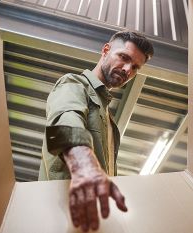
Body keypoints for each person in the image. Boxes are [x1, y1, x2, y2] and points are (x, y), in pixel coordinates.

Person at [39, 30, 154, 232]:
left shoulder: (110, 121)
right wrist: (85, 167)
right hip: (61, 218)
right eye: (124, 57)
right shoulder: (74, 83)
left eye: (135, 67)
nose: (128, 69)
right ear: (106, 50)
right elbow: (65, 119)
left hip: (95, 221)